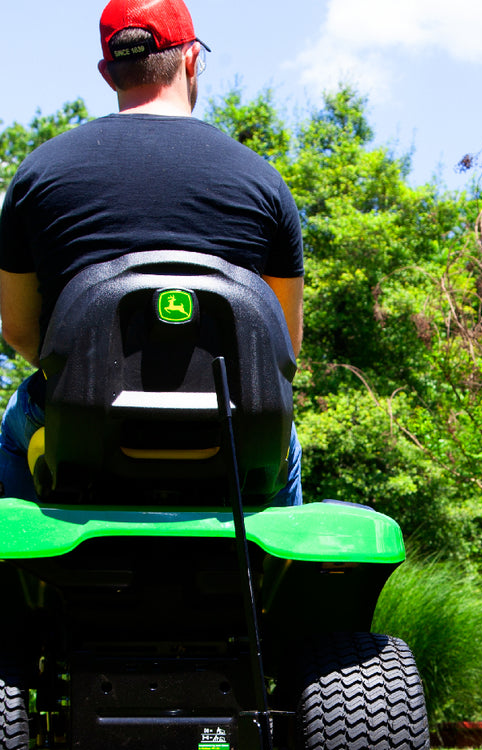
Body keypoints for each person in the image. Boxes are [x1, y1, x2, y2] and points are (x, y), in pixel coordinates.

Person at [0, 0, 305, 504]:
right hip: (232, 434)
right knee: (285, 437)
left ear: (107, 74)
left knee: (16, 421)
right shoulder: (265, 183)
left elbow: (17, 328)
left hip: (79, 431)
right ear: (191, 61)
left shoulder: (39, 174)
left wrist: (87, 376)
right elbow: (283, 349)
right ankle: (267, 570)